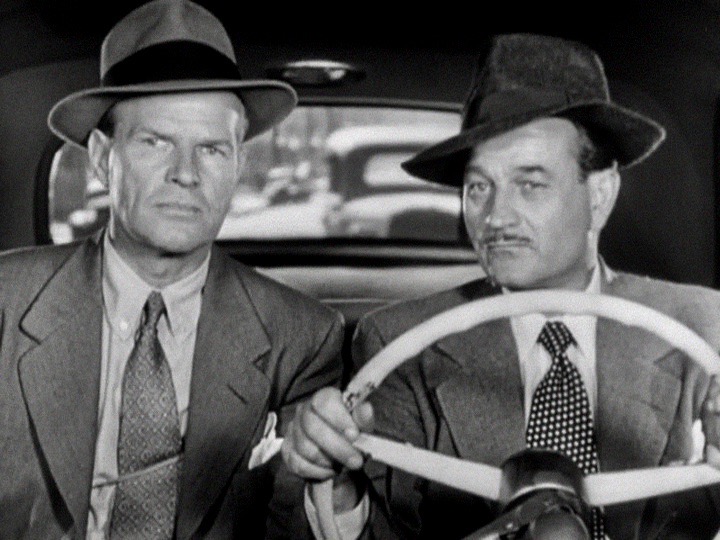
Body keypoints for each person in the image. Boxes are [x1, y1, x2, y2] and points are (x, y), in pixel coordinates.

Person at [283, 33, 720, 539]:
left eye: (530, 184)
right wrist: (339, 487)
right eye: (478, 187)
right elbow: (384, 531)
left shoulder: (704, 329)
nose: (495, 217)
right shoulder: (401, 346)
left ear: (600, 194)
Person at [0, 1, 345, 538]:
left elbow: (297, 523)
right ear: (102, 158)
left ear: (238, 166)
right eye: (155, 142)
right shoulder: (6, 301)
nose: (186, 174)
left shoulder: (301, 338)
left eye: (211, 149)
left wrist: (332, 482)